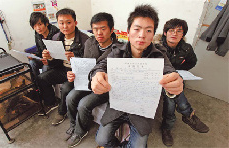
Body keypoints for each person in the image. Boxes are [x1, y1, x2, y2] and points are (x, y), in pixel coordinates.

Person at [90, 5, 184, 148]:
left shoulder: (159, 54)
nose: (142, 35)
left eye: (148, 30)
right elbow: (100, 65)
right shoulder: (117, 51)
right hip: (118, 104)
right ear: (128, 32)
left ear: (153, 35)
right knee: (101, 140)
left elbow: (169, 71)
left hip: (143, 108)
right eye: (137, 29)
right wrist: (96, 75)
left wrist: (175, 80)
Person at [65, 12, 121, 147]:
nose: (99, 33)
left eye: (103, 28)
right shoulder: (90, 42)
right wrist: (74, 73)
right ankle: (73, 124)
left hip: (105, 87)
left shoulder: (119, 49)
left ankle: (80, 131)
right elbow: (85, 64)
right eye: (95, 29)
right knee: (70, 97)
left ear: (111, 29)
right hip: (86, 82)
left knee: (84, 104)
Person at [154, 18, 209, 147]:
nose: (175, 33)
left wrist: (180, 72)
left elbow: (192, 62)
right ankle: (188, 115)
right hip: (159, 78)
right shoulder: (156, 46)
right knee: (171, 96)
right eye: (171, 30)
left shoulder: (186, 48)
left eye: (179, 31)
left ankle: (167, 128)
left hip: (176, 78)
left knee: (171, 97)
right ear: (165, 33)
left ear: (183, 34)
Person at [37, 8, 89, 115]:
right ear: (57, 23)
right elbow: (55, 63)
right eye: (61, 23)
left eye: (68, 23)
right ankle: (51, 102)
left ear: (75, 23)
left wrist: (75, 57)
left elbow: (89, 63)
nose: (65, 26)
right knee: (41, 78)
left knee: (65, 87)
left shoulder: (85, 40)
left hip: (77, 73)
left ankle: (61, 112)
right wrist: (49, 58)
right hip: (62, 69)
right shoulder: (56, 38)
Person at [28, 12, 59, 77]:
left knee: (45, 67)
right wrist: (35, 55)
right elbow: (40, 50)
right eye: (35, 26)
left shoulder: (56, 34)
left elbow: (58, 55)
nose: (38, 28)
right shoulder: (38, 35)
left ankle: (42, 83)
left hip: (54, 61)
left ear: (46, 23)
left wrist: (48, 60)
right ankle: (37, 84)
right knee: (31, 63)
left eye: (40, 24)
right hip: (44, 59)